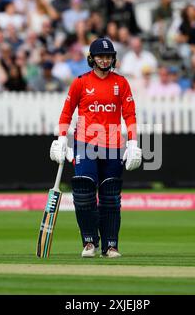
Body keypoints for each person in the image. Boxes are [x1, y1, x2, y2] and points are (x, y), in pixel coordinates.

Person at [49, 38, 142, 258]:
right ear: (92, 58)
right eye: (100, 56)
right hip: (85, 144)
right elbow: (67, 112)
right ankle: (89, 241)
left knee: (110, 196)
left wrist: (133, 142)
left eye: (108, 56)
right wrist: (62, 138)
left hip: (112, 145)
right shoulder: (80, 82)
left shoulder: (121, 83)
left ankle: (110, 245)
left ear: (113, 58)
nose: (104, 59)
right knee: (83, 193)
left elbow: (129, 114)